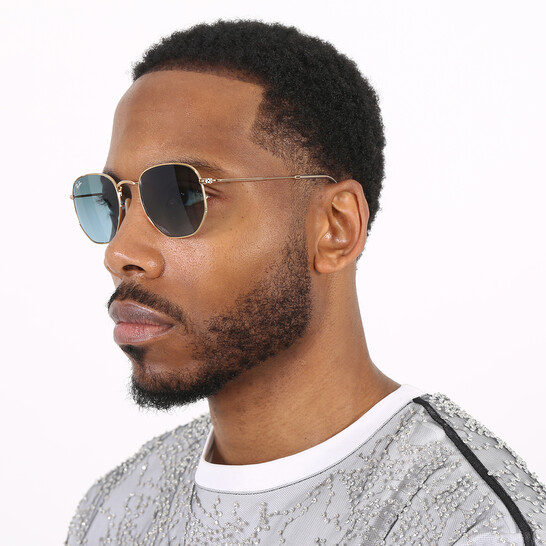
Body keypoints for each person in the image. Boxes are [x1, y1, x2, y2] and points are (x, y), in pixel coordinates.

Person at [66, 20, 545, 546]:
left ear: (335, 228)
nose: (120, 253)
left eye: (183, 196)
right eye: (111, 199)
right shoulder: (112, 509)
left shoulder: (467, 525)